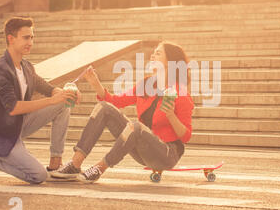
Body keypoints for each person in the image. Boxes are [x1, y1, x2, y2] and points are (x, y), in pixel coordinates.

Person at [51, 41, 194, 183]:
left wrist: (171, 115)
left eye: (158, 53)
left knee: (136, 126)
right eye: (153, 52)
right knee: (104, 107)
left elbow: (186, 136)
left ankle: (100, 168)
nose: (152, 56)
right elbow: (115, 102)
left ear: (170, 62)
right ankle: (75, 164)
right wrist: (96, 84)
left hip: (167, 154)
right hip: (143, 150)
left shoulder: (180, 93)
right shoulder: (146, 85)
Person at [0, 17, 79, 184]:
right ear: (11, 39)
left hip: (17, 125)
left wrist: (65, 93)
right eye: (26, 37)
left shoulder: (27, 67)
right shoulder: (0, 70)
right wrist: (51, 101)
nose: (30, 42)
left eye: (32, 37)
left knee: (63, 103)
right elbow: (13, 107)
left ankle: (55, 164)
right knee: (38, 176)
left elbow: (45, 87)